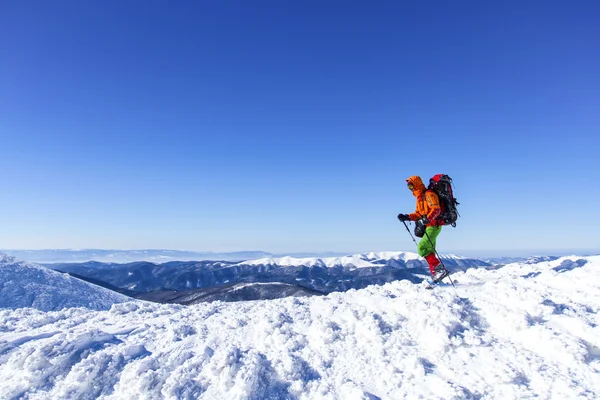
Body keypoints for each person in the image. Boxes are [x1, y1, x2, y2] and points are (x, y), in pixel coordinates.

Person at [397, 176, 449, 282]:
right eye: (408, 187)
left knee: (422, 248)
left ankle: (440, 270)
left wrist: (427, 220)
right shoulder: (420, 198)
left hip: (434, 226)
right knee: (430, 250)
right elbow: (419, 214)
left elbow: (436, 209)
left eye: (411, 185)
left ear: (417, 184)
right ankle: (436, 275)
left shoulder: (429, 194)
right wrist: (407, 217)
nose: (410, 188)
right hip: (429, 226)